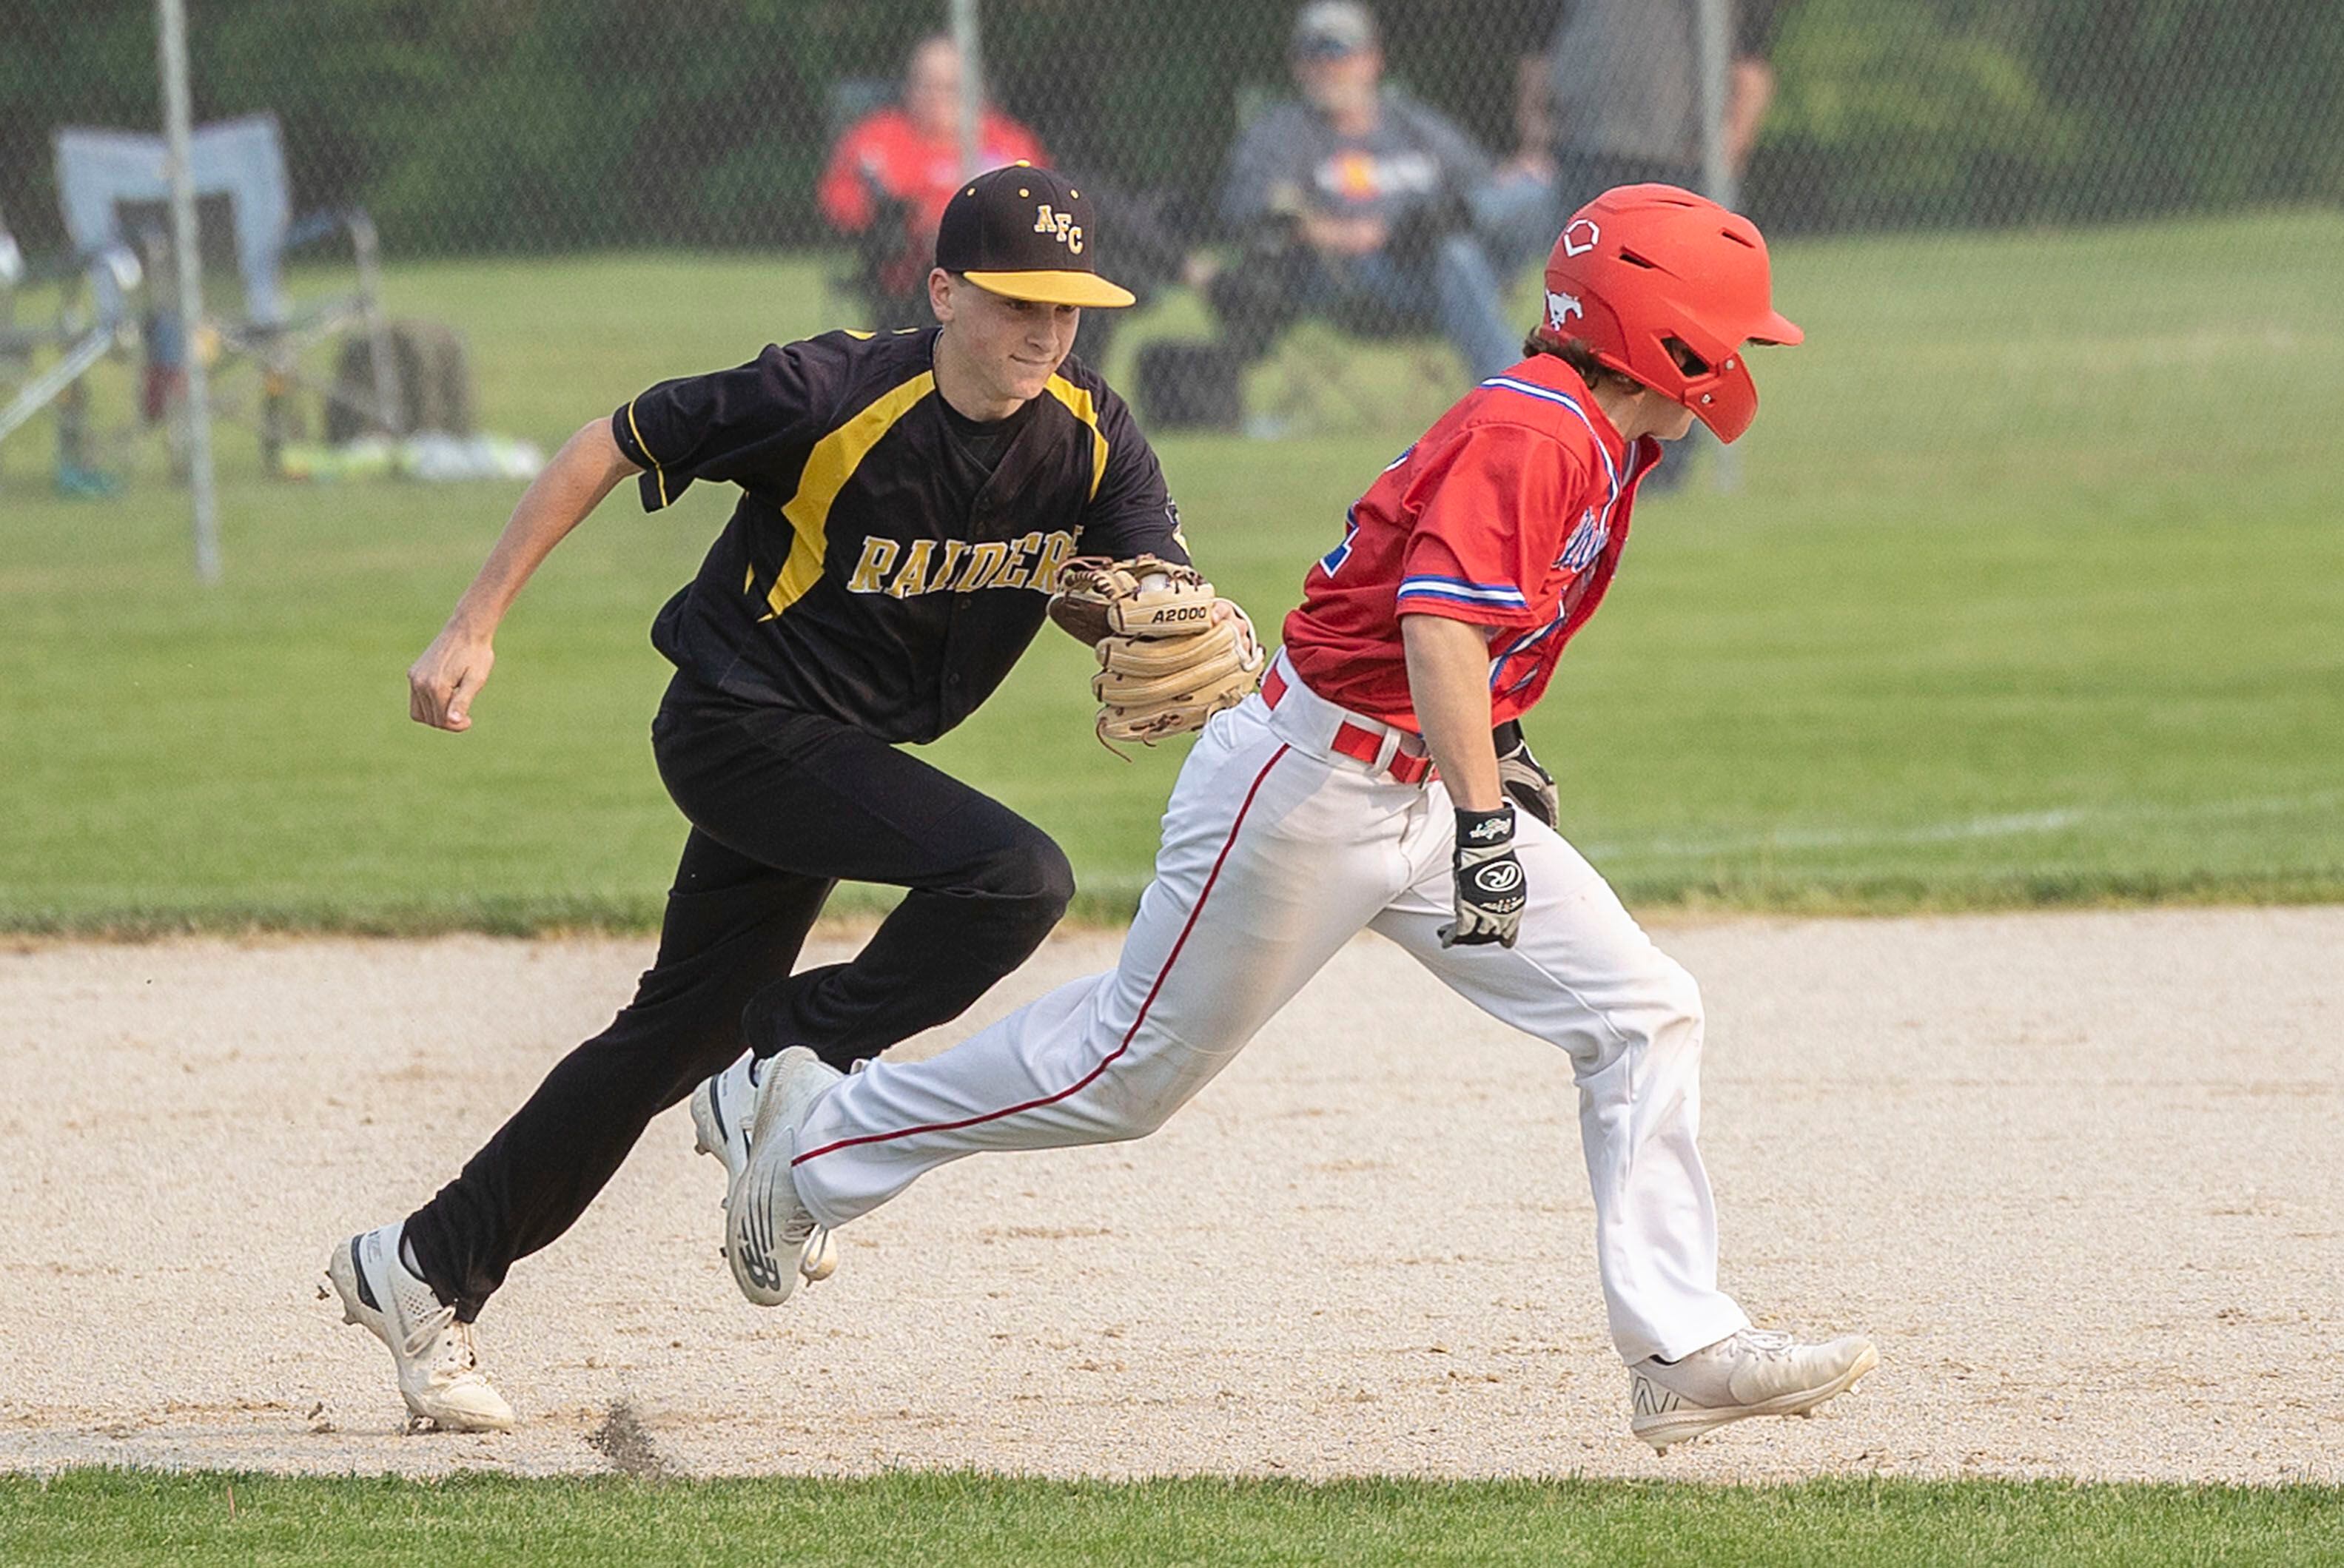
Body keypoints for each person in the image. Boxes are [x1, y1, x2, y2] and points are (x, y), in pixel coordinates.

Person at [715, 184, 1878, 1455]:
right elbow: (1438, 626)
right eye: (1726, 329)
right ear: (1663, 332)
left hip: (1420, 780)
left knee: (1640, 1007)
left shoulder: (1589, 433)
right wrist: (1488, 826)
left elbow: (1461, 636)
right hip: (1307, 789)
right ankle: (815, 1144)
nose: (1738, 356)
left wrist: (1491, 755)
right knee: (1124, 1074)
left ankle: (1681, 1343)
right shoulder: (1538, 431)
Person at [325, 166, 1227, 1433]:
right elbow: (612, 440)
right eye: (1019, 299)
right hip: (738, 721)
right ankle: (782, 1060)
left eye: (1069, 306)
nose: (1045, 330)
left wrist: (1150, 618)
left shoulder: (1089, 429)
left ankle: (420, 1265)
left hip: (835, 745)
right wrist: (474, 622)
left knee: (668, 1032)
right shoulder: (828, 391)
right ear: (943, 288)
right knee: (1011, 875)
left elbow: (1149, 590)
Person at [1209, 1, 1521, 383]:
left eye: (1341, 50)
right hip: (1359, 279)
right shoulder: (1282, 133)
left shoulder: (1412, 123)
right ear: (1297, 65)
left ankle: (1428, 227)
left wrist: (1518, 177)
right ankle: (1511, 393)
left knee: (1530, 194)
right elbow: (1251, 208)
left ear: (1373, 59)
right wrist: (1339, 233)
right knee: (1457, 254)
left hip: (1449, 256)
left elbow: (1484, 181)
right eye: (1314, 53)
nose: (1328, 66)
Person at [818, 36, 1049, 329]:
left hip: (1004, 268)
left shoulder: (1007, 141)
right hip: (911, 276)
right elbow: (839, 199)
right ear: (908, 88)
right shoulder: (877, 138)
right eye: (927, 85)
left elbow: (1040, 201)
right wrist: (899, 213)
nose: (937, 96)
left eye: (950, 87)